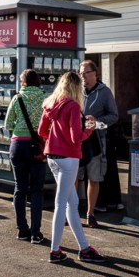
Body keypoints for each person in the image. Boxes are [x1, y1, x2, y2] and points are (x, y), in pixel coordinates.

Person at [38, 71, 107, 264]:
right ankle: (55, 251)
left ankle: (84, 248)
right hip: (69, 158)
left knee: (72, 202)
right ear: (76, 87)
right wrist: (89, 129)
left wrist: (56, 136)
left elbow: (42, 131)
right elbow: (77, 137)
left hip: (52, 156)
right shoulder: (73, 107)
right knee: (62, 204)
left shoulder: (50, 103)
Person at [4, 69, 46, 243]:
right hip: (37, 146)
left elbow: (8, 123)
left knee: (20, 188)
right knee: (36, 189)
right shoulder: (45, 99)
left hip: (18, 146)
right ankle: (36, 233)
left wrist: (18, 129)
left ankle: (22, 230)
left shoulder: (17, 98)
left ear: (24, 82)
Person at [78, 60, 119, 228]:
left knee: (94, 178)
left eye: (86, 73)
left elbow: (114, 116)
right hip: (77, 140)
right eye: (81, 73)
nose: (83, 77)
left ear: (95, 74)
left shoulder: (105, 92)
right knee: (75, 178)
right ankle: (71, 212)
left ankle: (90, 213)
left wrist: (98, 123)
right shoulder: (77, 91)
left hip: (95, 141)